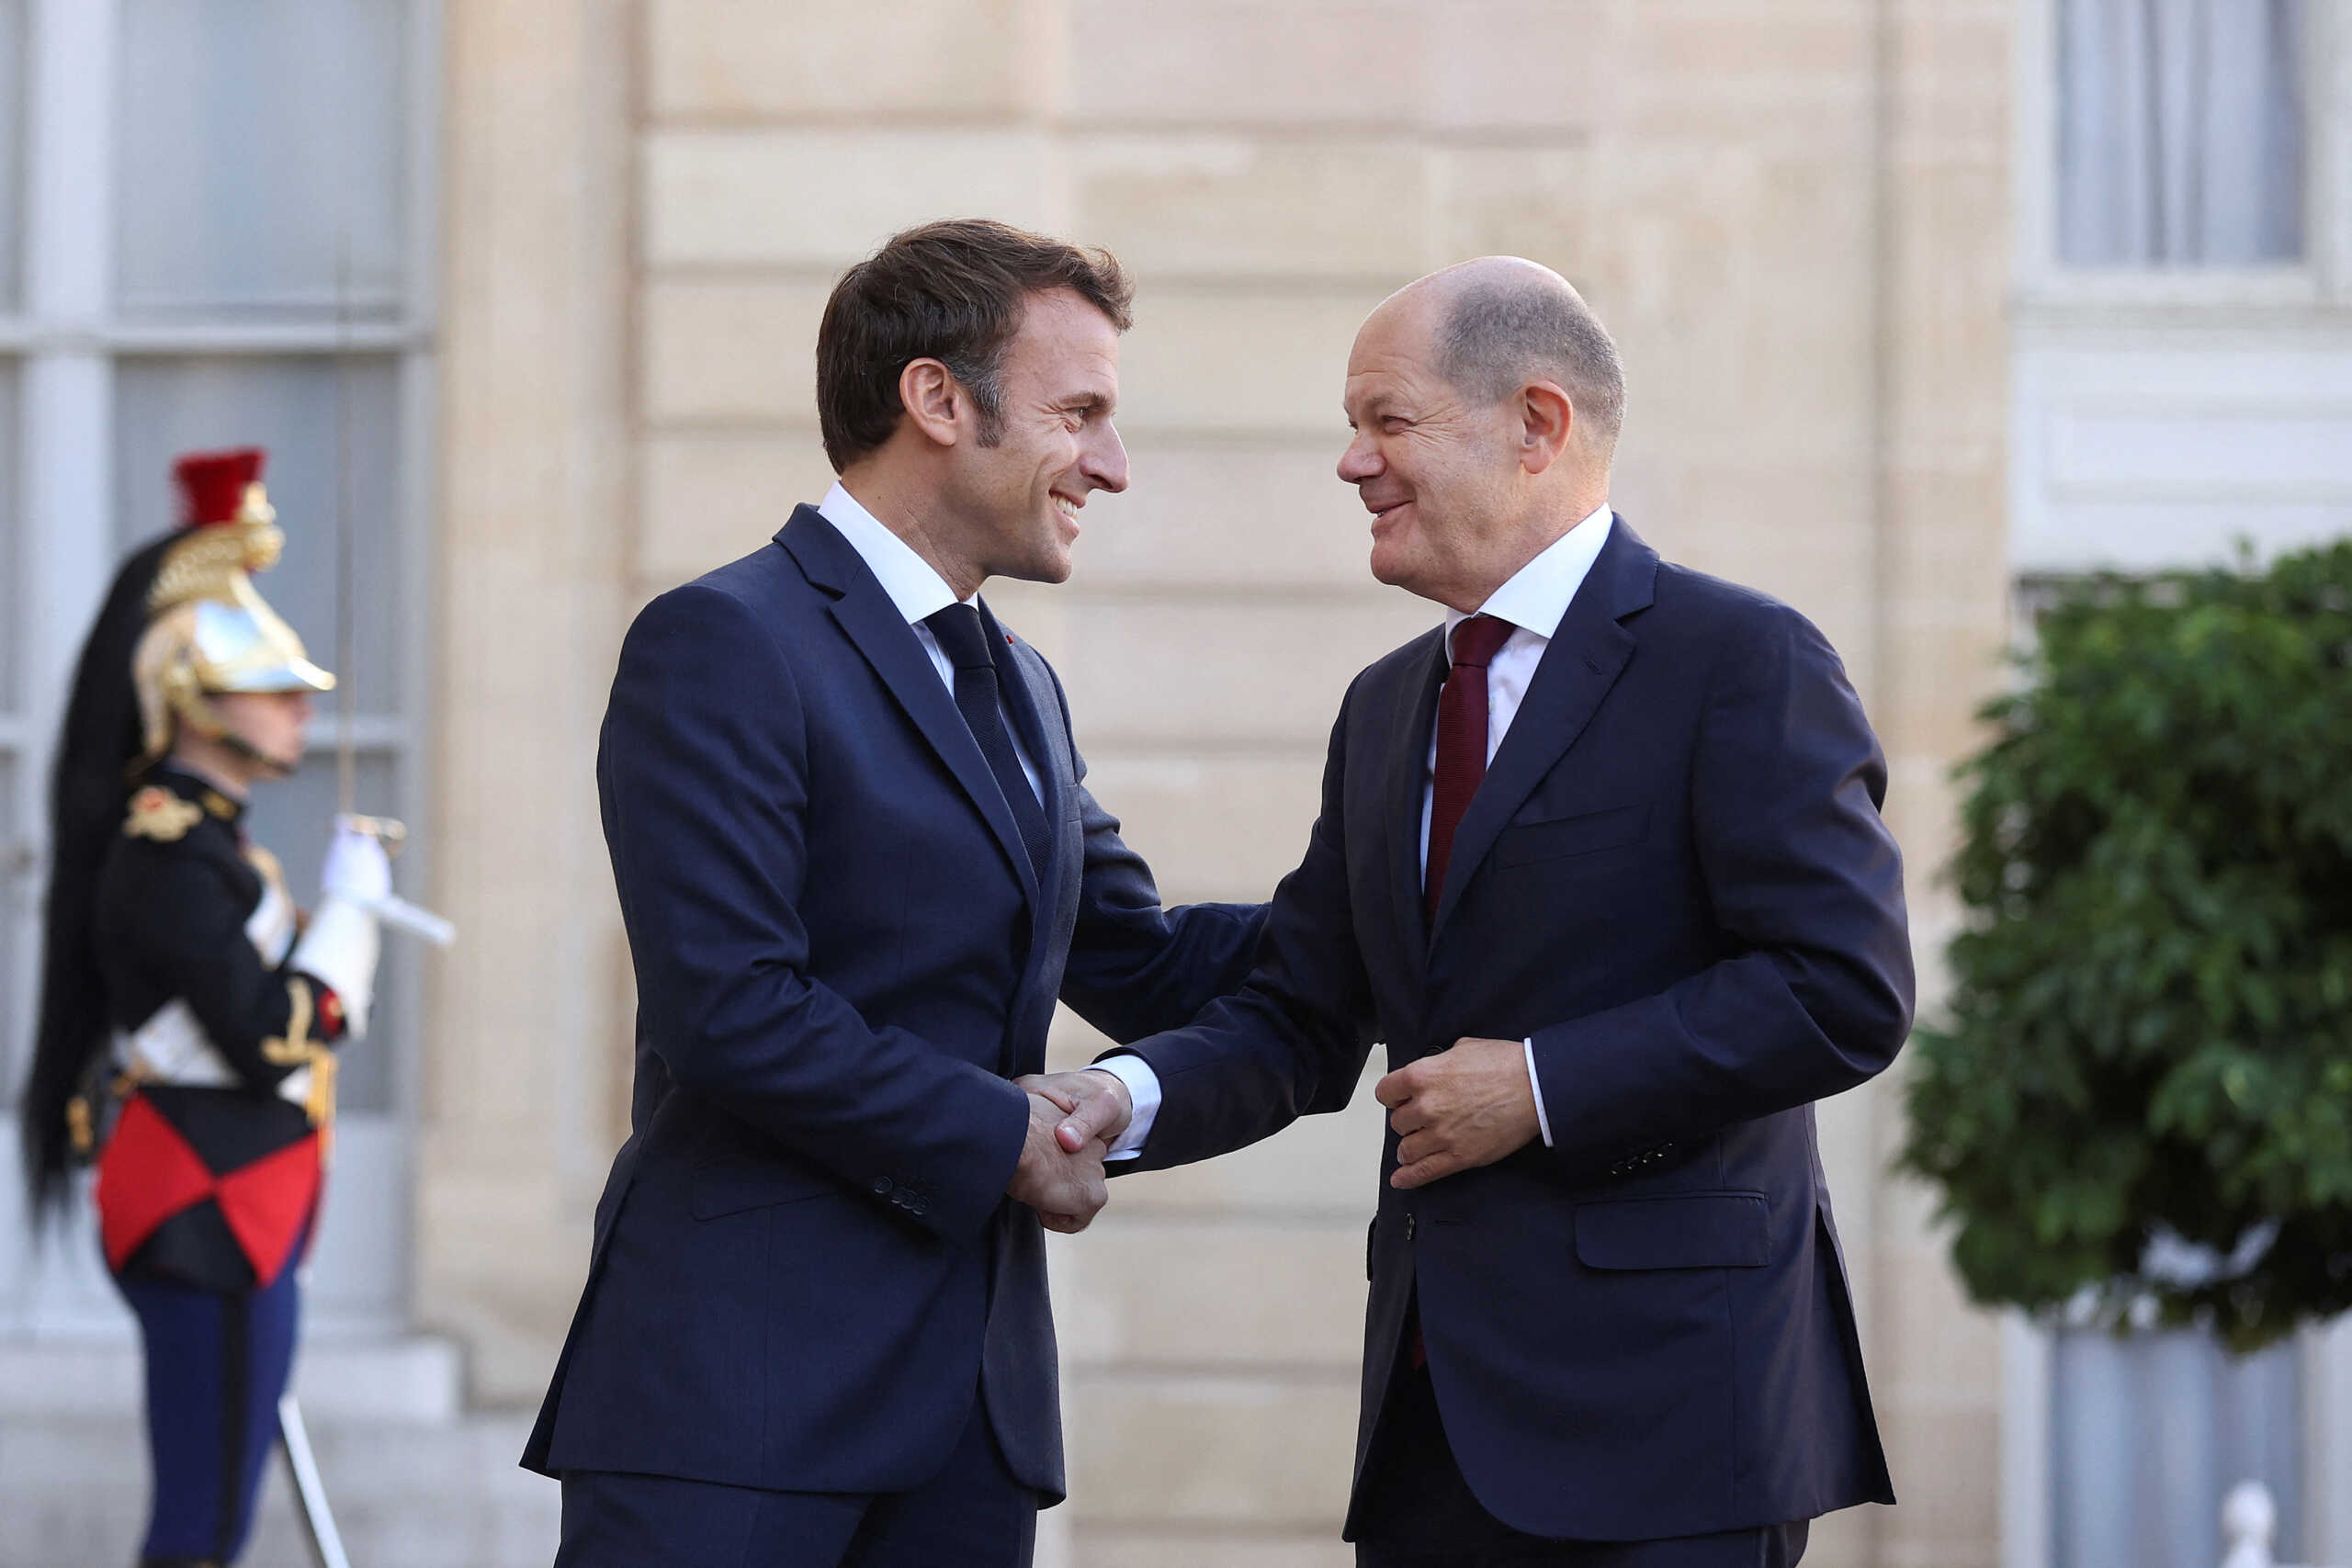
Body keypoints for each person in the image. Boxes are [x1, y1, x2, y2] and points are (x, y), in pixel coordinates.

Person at [1032, 258, 1916, 1566]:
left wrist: (1543, 1084)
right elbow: (1301, 1010)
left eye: (1388, 421)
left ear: (1537, 427)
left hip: (1671, 1426)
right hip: (1435, 1429)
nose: (1352, 464)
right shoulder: (1387, 706)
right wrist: (1121, 1099)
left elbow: (1843, 988)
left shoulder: (1738, 662)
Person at [524, 219, 1266, 1568]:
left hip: (968, 1420)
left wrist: (1419, 898)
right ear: (935, 398)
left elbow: (1147, 962)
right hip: (737, 1407)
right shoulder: (723, 640)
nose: (1111, 462)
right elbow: (734, 1008)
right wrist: (1006, 1133)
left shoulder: (1022, 685)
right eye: (1079, 411)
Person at [18, 447, 389, 1568]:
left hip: (234, 1207)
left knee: (212, 1513)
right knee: (200, 1529)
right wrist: (350, 926)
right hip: (209, 1211)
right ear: (191, 695)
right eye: (269, 692)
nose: (295, 713)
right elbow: (274, 1032)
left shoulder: (205, 844)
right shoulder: (169, 853)